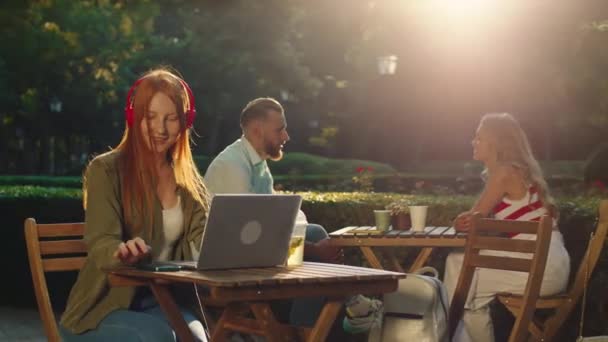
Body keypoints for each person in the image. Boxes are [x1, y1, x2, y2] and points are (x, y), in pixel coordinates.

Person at [204, 97, 381, 333]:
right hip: (228, 266)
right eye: (280, 130)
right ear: (257, 130)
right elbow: (252, 238)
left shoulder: (257, 164)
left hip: (248, 254)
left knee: (315, 232)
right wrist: (313, 249)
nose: (286, 136)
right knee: (314, 251)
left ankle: (321, 322)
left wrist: (309, 244)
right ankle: (325, 321)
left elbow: (277, 223)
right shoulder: (232, 167)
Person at [60, 68, 210, 341]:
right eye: (150, 117)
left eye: (172, 118)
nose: (160, 129)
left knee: (197, 340)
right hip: (105, 307)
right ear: (133, 117)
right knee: (158, 338)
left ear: (186, 122)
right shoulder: (105, 170)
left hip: (166, 303)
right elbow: (100, 241)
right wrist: (120, 252)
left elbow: (205, 240)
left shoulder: (188, 180)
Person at [444, 113, 570, 342]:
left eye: (479, 137)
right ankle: (450, 331)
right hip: (550, 265)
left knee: (461, 278)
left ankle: (445, 331)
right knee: (462, 276)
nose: (473, 142)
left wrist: (459, 222)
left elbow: (472, 222)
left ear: (496, 143)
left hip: (540, 268)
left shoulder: (504, 172)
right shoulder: (516, 171)